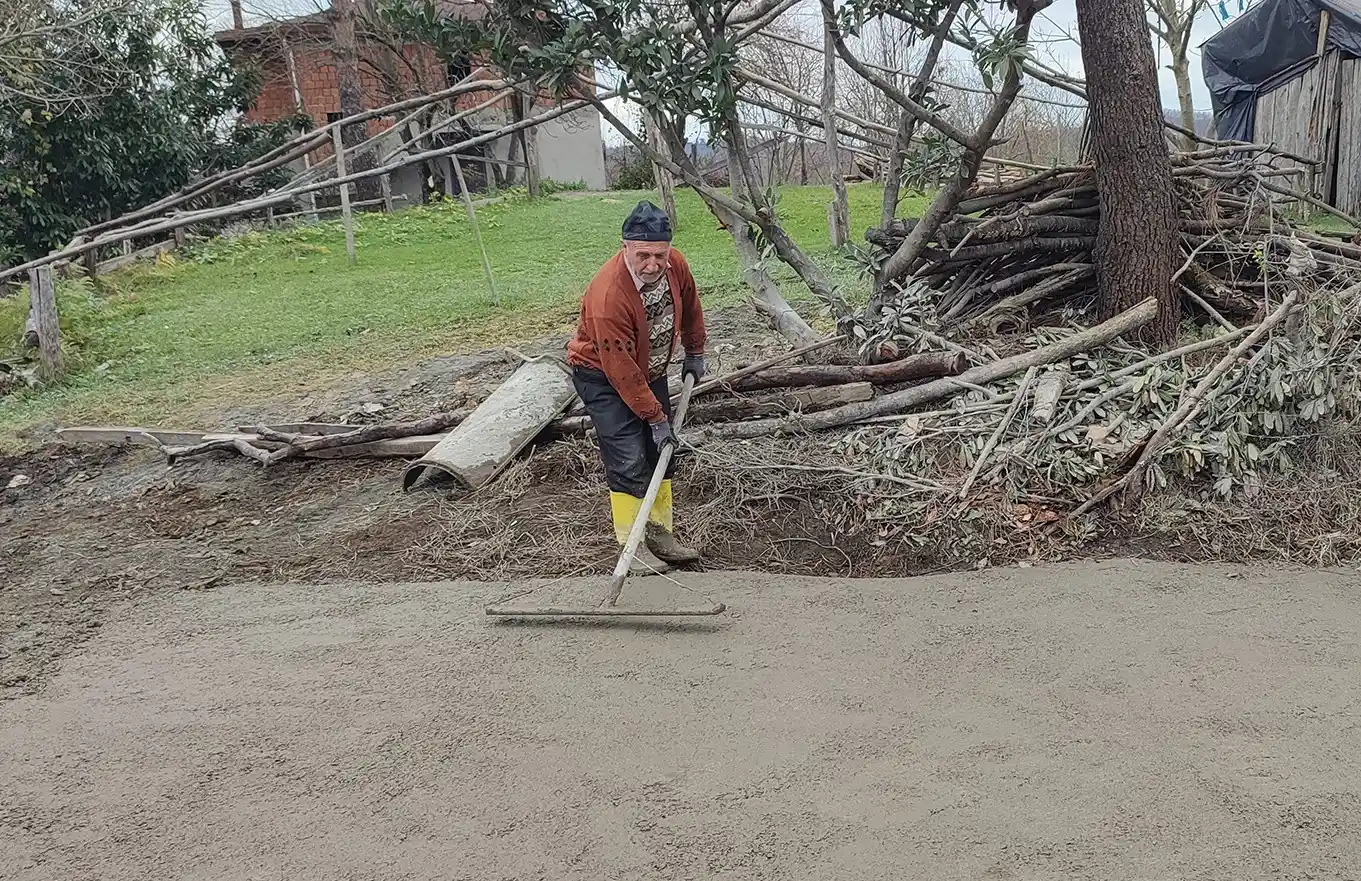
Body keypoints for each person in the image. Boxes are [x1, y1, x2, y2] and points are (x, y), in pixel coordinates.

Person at [567, 201, 708, 573]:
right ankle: (632, 543)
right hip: (602, 375)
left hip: (648, 370)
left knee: (661, 449)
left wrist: (695, 350)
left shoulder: (675, 265)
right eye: (643, 254)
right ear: (625, 247)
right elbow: (620, 370)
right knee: (628, 455)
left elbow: (691, 306)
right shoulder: (607, 297)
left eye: (659, 254)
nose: (652, 264)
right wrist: (654, 415)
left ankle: (660, 533)